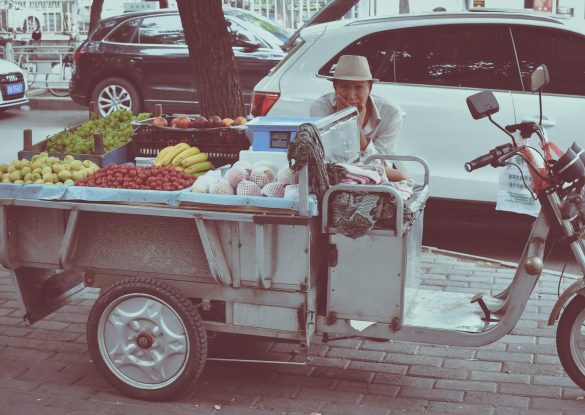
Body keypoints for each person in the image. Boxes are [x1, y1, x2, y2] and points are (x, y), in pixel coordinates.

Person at [309, 55, 408, 181]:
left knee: (402, 177)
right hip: (335, 173)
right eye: (344, 87)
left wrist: (357, 130)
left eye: (359, 87)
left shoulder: (391, 112)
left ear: (370, 88)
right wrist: (342, 121)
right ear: (335, 87)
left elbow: (381, 165)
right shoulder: (321, 107)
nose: (351, 96)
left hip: (373, 172)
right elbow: (328, 158)